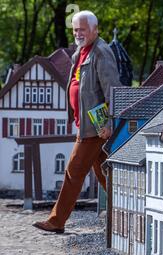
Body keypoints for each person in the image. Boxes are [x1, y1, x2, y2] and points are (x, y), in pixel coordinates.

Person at [33, 11, 121, 234]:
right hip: (87, 125)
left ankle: (56, 221)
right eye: (75, 30)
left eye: (82, 29)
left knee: (73, 171)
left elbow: (112, 89)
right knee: (105, 175)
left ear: (95, 29)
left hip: (96, 128)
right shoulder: (80, 53)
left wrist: (110, 123)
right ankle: (130, 211)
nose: (78, 33)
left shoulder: (101, 52)